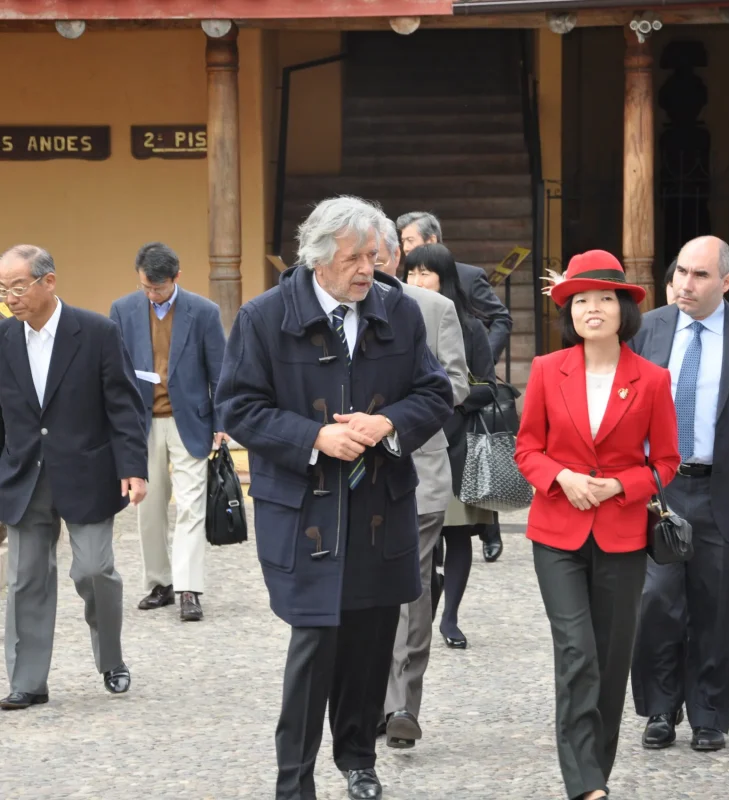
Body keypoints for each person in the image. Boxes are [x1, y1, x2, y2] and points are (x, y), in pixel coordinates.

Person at [214, 196, 453, 800]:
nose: (367, 269)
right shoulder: (264, 316)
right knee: (314, 642)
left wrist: (387, 424)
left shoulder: (398, 310)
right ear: (318, 259)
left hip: (379, 507)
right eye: (354, 258)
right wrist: (315, 436)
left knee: (372, 642)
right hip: (305, 511)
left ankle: (358, 759)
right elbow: (238, 408)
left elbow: (434, 392)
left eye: (374, 256)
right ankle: (293, 780)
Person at [514, 249, 680, 800]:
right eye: (581, 300)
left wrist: (620, 485)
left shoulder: (652, 380)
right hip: (556, 534)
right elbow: (526, 451)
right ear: (570, 312)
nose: (592, 309)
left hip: (623, 532)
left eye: (604, 299)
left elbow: (666, 462)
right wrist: (561, 478)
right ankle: (584, 784)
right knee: (577, 652)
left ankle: (594, 774)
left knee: (611, 662)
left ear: (623, 309)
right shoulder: (545, 370)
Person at [631, 236, 729, 752]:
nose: (685, 284)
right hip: (660, 489)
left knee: (718, 608)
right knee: (657, 602)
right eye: (680, 272)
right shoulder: (647, 328)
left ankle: (708, 714)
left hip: (727, 490)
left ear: (726, 282)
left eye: (700, 275)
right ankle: (660, 708)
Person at [0, 244, 148, 710]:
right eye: (3, 289)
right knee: (24, 579)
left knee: (94, 570)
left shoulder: (98, 332)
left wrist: (133, 469)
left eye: (18, 286)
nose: (11, 298)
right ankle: (27, 681)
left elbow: (125, 407)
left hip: (87, 470)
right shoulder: (3, 339)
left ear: (49, 281)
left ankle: (111, 660)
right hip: (25, 475)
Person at [375, 217, 469, 749]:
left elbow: (456, 385)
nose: (366, 265)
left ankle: (403, 705)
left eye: (376, 254)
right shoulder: (332, 314)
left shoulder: (433, 309)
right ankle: (369, 698)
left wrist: (397, 415)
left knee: (411, 591)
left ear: (395, 257)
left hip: (418, 469)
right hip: (347, 474)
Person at [110, 242, 227, 622]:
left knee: (192, 506)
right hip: (141, 422)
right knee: (148, 506)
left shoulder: (204, 312)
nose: (151, 293)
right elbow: (113, 370)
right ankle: (159, 583)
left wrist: (222, 424)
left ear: (176, 277)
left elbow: (220, 373)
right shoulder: (123, 310)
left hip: (190, 419)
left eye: (158, 287)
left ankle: (188, 588)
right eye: (146, 286)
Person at [397, 211, 511, 564]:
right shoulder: (397, 302)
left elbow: (499, 321)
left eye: (411, 241)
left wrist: (478, 365)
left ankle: (489, 531)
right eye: (403, 245)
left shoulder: (467, 281)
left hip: (458, 422)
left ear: (433, 241)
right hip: (419, 432)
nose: (406, 252)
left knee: (459, 520)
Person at [405, 243, 496, 650]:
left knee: (457, 534)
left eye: (426, 273)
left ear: (445, 278)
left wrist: (449, 399)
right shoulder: (401, 316)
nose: (417, 281)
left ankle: (451, 617)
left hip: (458, 440)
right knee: (422, 535)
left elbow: (488, 387)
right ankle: (427, 597)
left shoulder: (469, 325)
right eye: (412, 273)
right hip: (416, 440)